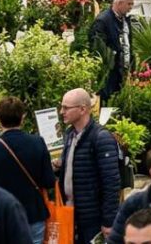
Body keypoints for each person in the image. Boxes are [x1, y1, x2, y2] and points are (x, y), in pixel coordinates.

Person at [0, 97, 56, 244]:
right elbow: (48, 181)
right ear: (22, 117)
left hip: (2, 216)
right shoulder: (37, 142)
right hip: (33, 214)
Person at [57, 88, 122, 244]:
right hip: (72, 213)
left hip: (92, 217)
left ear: (82, 109)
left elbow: (111, 182)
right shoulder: (70, 134)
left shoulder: (101, 138)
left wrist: (108, 220)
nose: (61, 111)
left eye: (66, 108)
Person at [92, 0, 136, 101]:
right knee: (108, 102)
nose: (131, 7)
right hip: (109, 74)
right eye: (129, 3)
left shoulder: (125, 19)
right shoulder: (103, 21)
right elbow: (98, 48)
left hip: (123, 71)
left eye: (132, 4)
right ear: (119, 3)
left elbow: (128, 44)